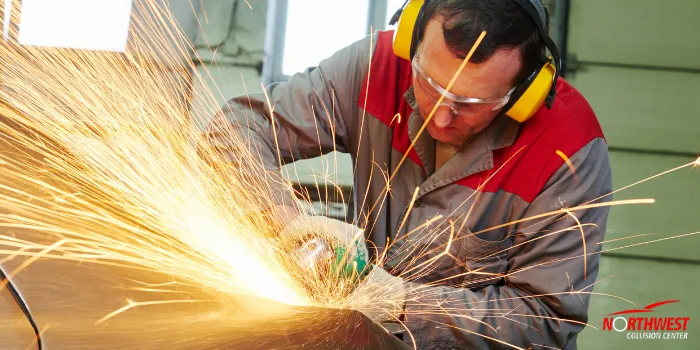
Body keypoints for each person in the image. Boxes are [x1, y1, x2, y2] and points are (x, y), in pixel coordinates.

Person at [201, 0, 612, 348]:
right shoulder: (379, 65)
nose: (441, 114)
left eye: (470, 103)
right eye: (430, 84)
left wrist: (398, 302)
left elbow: (544, 321)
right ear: (410, 40)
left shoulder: (567, 149)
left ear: (524, 94)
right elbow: (234, 131)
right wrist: (286, 220)